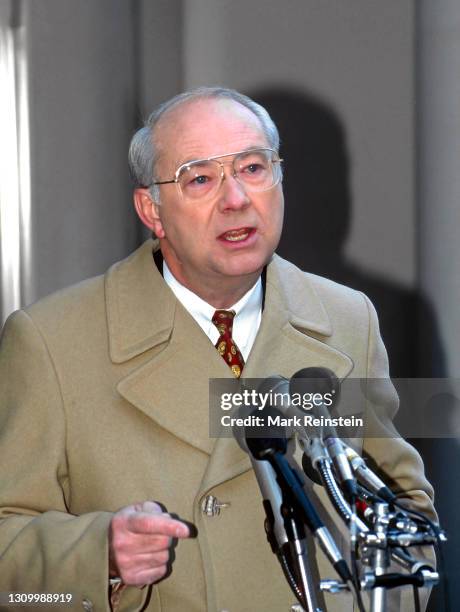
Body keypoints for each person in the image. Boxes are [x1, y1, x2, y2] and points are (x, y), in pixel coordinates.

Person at [0, 87, 436, 612]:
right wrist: (98, 557)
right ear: (151, 210)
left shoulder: (347, 320)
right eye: (200, 178)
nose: (235, 199)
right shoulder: (50, 341)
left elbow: (406, 514)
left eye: (253, 168)